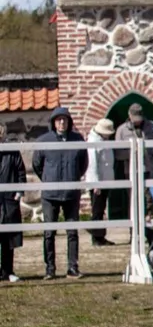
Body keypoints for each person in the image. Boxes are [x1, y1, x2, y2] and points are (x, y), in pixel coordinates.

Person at [31, 107, 88, 279]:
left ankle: (73, 267)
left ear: (69, 122)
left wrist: (73, 178)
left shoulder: (78, 140)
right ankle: (50, 268)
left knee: (72, 232)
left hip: (71, 193)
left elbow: (83, 164)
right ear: (53, 122)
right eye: (58, 120)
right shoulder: (43, 141)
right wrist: (49, 179)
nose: (62, 123)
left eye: (65, 120)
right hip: (50, 195)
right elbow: (37, 164)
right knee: (49, 232)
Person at [85, 117, 119, 246]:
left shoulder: (103, 140)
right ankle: (97, 237)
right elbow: (93, 164)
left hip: (105, 180)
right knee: (97, 210)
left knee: (100, 209)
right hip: (98, 182)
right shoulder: (93, 142)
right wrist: (96, 184)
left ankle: (100, 235)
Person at [0, 121, 26, 282]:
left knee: (8, 239)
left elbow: (20, 172)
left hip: (9, 200)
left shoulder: (12, 151)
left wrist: (19, 191)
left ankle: (8, 271)